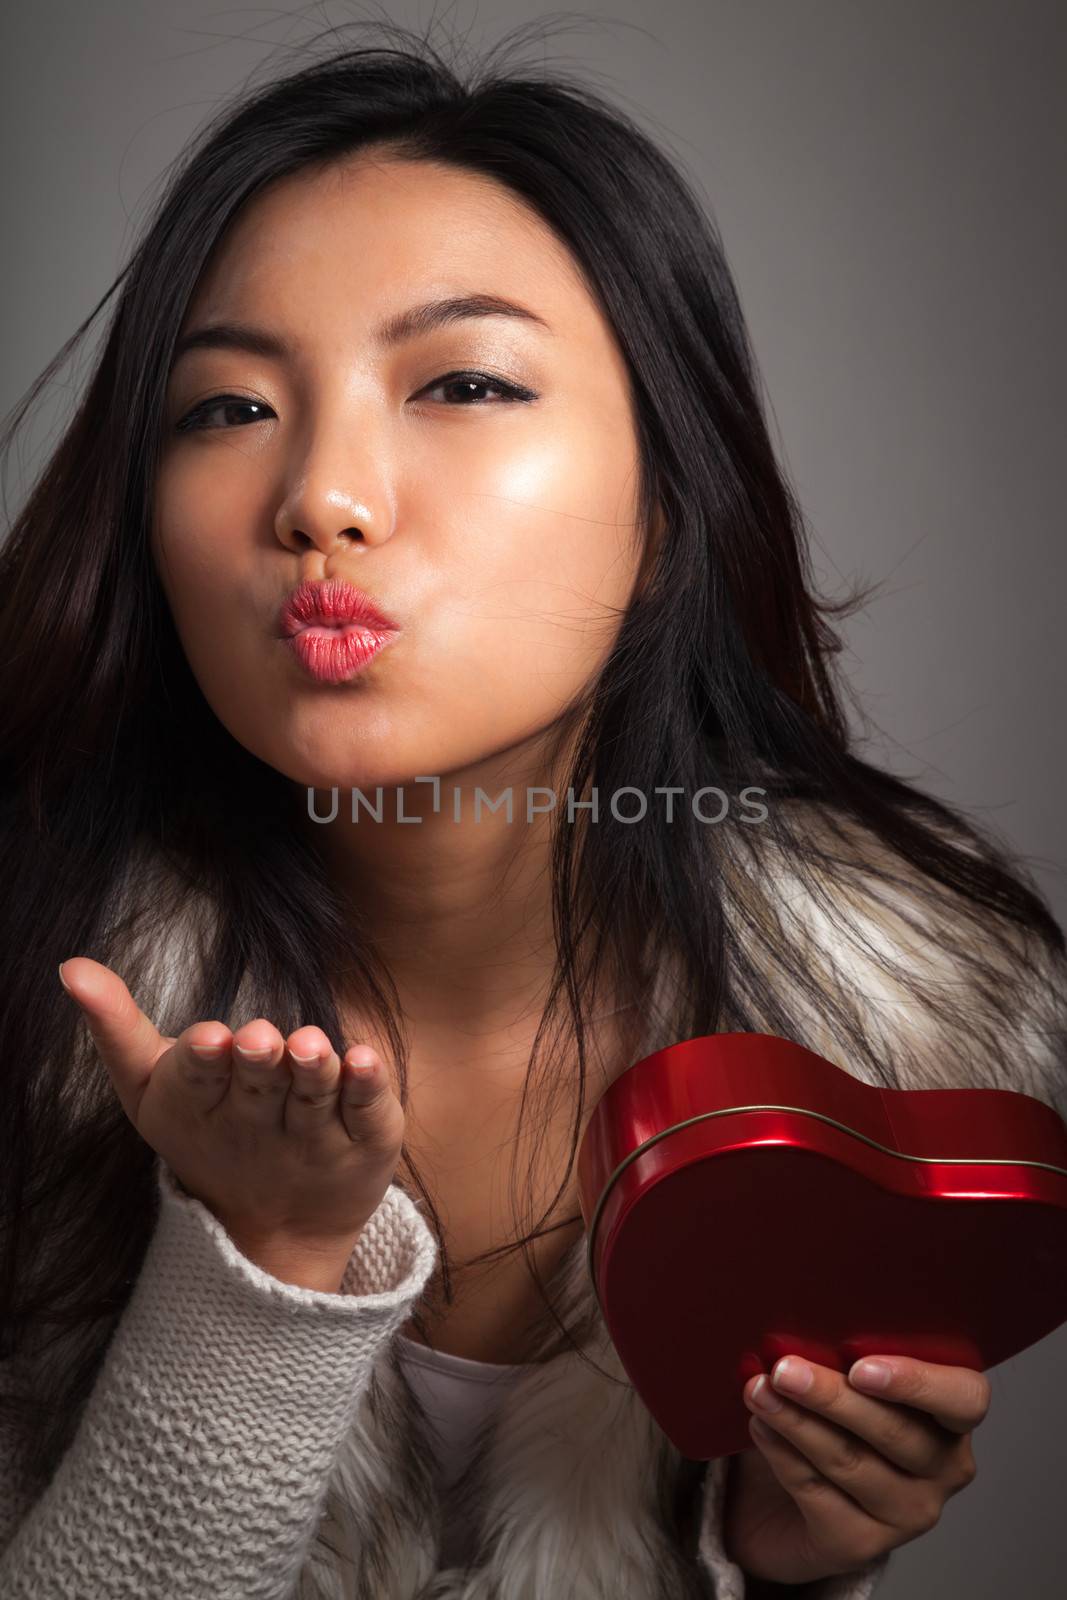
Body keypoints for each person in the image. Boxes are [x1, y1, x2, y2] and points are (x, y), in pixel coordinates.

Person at [1, 17, 1064, 1600]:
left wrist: (773, 1562)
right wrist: (260, 1274)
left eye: (467, 383)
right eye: (226, 408)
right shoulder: (35, 993)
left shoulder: (892, 1045)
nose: (320, 497)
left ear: (671, 499)